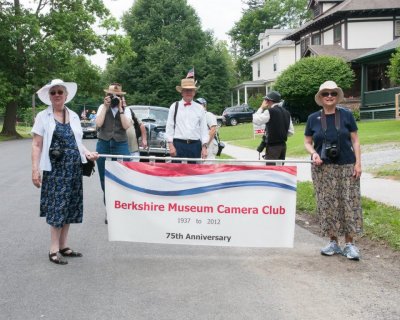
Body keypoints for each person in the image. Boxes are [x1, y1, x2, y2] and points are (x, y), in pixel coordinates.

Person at [31, 79, 99, 265]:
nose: (57, 95)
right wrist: (35, 170)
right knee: (57, 207)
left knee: (69, 206)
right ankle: (53, 249)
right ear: (49, 97)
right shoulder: (43, 116)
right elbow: (37, 144)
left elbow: (77, 143)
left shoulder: (75, 116)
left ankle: (63, 245)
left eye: (60, 92)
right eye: (53, 93)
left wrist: (87, 153)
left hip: (74, 169)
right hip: (55, 170)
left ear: (66, 95)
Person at [304, 80, 362, 260]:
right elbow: (307, 142)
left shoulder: (346, 115)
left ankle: (350, 244)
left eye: (333, 93)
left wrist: (358, 163)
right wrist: (314, 153)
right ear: (320, 98)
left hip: (347, 166)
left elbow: (355, 140)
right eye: (325, 94)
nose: (329, 96)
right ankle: (333, 242)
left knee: (349, 203)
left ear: (337, 97)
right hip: (323, 168)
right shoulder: (313, 118)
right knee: (328, 204)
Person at [95, 83, 132, 213]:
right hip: (104, 142)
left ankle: (121, 207)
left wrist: (121, 109)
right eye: (111, 95)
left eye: (117, 95)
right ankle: (109, 207)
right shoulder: (102, 107)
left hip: (120, 142)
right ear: (107, 95)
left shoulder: (126, 109)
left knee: (124, 174)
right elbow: (99, 123)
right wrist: (105, 107)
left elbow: (127, 126)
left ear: (121, 96)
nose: (113, 98)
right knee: (103, 177)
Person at [165, 78, 209, 162]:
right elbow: (169, 127)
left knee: (194, 173)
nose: (188, 92)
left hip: (195, 145)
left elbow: (204, 129)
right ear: (182, 92)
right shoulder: (174, 106)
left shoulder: (200, 108)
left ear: (194, 92)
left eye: (191, 90)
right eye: (186, 90)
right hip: (178, 144)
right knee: (177, 172)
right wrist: (170, 145)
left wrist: (204, 147)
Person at [252, 91, 294, 164]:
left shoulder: (270, 111)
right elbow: (291, 132)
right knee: (280, 170)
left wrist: (261, 108)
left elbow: (256, 120)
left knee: (271, 172)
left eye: (266, 100)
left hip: (273, 147)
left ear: (269, 101)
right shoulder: (287, 112)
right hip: (283, 146)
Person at [195, 97, 218, 161]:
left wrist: (205, 145)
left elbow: (213, 130)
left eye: (200, 104)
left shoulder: (208, 115)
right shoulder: (198, 116)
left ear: (204, 105)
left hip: (209, 144)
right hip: (201, 144)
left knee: (208, 164)